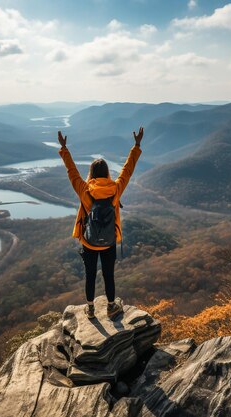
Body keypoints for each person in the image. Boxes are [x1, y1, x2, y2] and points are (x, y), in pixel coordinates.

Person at [58, 127, 144, 320]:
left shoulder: (84, 189)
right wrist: (136, 146)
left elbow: (71, 171)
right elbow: (127, 170)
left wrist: (64, 148)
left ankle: (90, 309)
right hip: (110, 240)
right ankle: (111, 307)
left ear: (92, 173)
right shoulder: (115, 189)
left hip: (89, 241)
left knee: (90, 274)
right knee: (108, 274)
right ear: (106, 174)